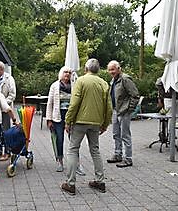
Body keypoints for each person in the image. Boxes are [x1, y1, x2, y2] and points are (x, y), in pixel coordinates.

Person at [61, 58, 112, 195]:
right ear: (98, 70)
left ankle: (70, 184)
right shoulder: (104, 83)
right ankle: (100, 181)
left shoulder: (80, 81)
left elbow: (74, 103)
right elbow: (109, 107)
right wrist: (105, 124)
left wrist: (68, 120)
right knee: (95, 150)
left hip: (80, 121)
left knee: (72, 150)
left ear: (86, 68)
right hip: (96, 123)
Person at [46, 66, 86, 175]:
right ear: (61, 73)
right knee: (59, 139)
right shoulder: (54, 85)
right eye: (65, 72)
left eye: (69, 72)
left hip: (72, 117)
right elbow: (50, 103)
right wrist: (49, 119)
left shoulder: (75, 85)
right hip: (57, 117)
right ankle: (59, 160)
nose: (67, 74)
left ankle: (77, 164)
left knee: (74, 140)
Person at [106, 60, 139, 168]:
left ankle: (128, 159)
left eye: (113, 69)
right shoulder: (113, 80)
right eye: (109, 69)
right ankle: (117, 154)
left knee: (125, 135)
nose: (111, 71)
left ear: (119, 68)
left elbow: (135, 95)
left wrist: (129, 109)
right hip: (116, 110)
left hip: (124, 111)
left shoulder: (125, 79)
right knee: (116, 134)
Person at [0, 61, 16, 161]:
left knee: (6, 131)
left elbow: (12, 94)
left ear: (1, 69)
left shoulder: (9, 79)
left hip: (5, 110)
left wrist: (3, 104)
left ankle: (7, 152)